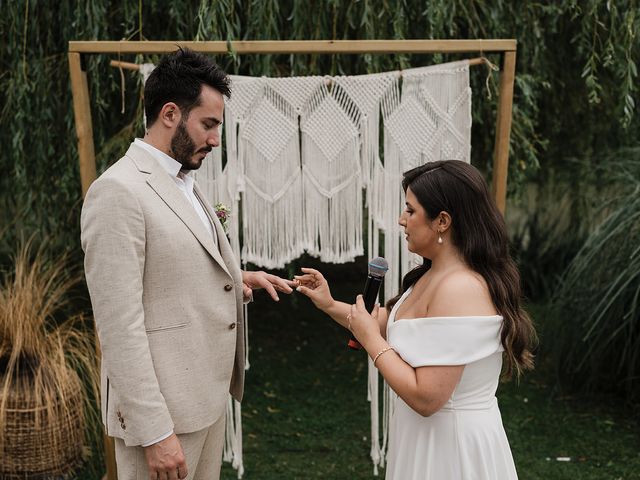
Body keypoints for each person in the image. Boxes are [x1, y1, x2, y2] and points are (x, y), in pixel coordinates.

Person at [81, 48, 294, 480]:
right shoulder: (118, 192)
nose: (216, 139)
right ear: (171, 113)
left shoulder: (183, 180)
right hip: (163, 418)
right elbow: (118, 326)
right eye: (209, 125)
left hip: (206, 402)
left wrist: (236, 279)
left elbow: (172, 268)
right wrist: (156, 433)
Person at [295, 160, 536, 479]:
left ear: (442, 221)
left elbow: (427, 397)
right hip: (424, 438)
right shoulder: (433, 274)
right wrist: (328, 304)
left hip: (452, 448)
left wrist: (371, 342)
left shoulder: (460, 288)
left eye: (410, 210)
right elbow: (387, 324)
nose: (401, 219)